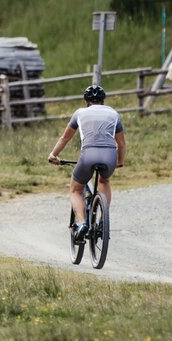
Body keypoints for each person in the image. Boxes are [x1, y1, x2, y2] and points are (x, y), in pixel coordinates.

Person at [48, 84, 126, 243]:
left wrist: (53, 154)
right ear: (103, 101)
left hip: (88, 154)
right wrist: (120, 161)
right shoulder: (114, 114)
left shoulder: (79, 113)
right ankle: (104, 219)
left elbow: (65, 138)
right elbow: (122, 144)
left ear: (86, 102)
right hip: (109, 155)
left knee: (76, 190)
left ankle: (82, 223)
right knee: (104, 180)